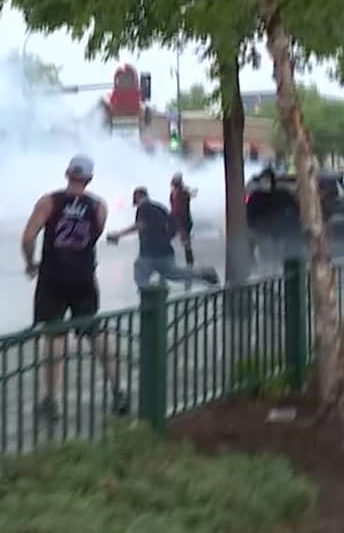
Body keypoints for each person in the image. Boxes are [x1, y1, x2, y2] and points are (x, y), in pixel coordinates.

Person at [21, 154, 128, 421]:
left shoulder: (49, 202)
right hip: (83, 276)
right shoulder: (99, 206)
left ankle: (52, 399)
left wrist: (30, 262)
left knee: (55, 335)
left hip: (53, 276)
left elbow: (27, 237)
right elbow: (95, 235)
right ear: (89, 178)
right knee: (94, 330)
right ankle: (118, 389)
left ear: (67, 173)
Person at [108, 187, 220, 289]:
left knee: (140, 272)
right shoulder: (160, 208)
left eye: (134, 197)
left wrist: (119, 234)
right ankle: (204, 273)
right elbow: (174, 223)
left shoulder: (143, 207)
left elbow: (140, 225)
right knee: (175, 274)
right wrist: (173, 239)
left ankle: (149, 298)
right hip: (165, 250)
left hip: (150, 252)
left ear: (138, 196)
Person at [169, 173, 197, 267]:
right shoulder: (175, 193)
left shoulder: (182, 193)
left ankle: (189, 267)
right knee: (184, 244)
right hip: (177, 220)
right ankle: (188, 266)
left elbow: (179, 209)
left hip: (183, 221)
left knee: (186, 244)